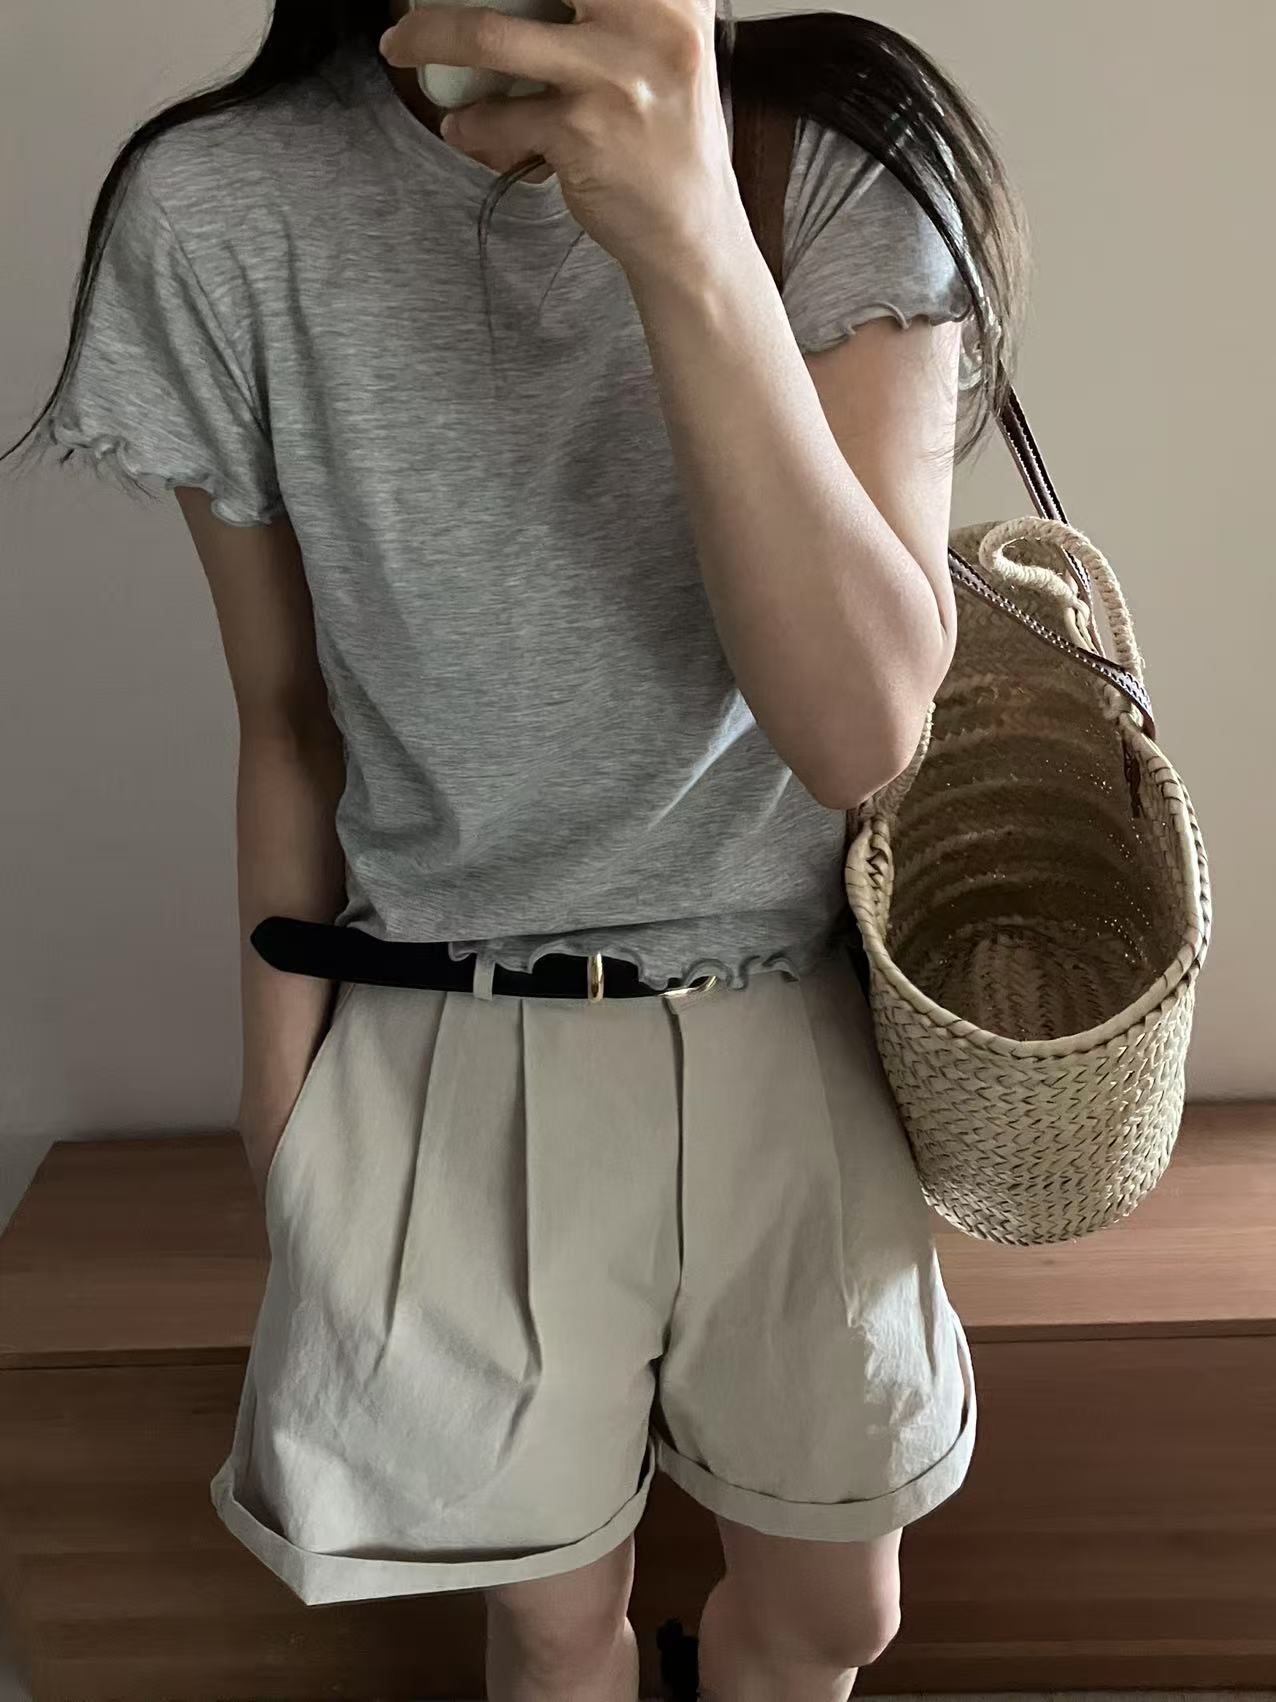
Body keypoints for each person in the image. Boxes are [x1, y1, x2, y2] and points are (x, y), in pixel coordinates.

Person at [8, 1, 1028, 1696]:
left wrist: (689, 223)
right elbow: (284, 714)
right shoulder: (221, 205)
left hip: (793, 1016)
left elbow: (861, 732)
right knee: (553, 1625)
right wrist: (285, 1112)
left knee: (839, 1610)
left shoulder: (832, 154)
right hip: (440, 1032)